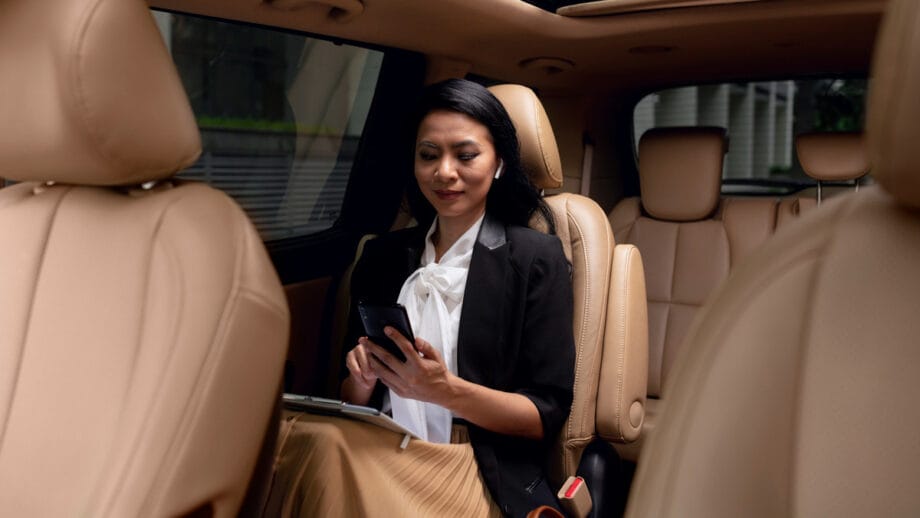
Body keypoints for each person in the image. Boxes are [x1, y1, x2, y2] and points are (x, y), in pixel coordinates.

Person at [264, 78, 575, 518]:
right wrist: (362, 380)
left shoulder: (533, 257)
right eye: (428, 155)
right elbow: (352, 397)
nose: (443, 172)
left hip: (472, 467)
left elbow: (544, 414)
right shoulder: (383, 256)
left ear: (499, 163)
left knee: (323, 446)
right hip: (378, 445)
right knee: (292, 435)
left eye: (465, 156)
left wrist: (446, 391)